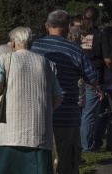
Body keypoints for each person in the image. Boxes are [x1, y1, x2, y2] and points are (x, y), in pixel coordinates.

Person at [31, 10, 103, 174]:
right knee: (67, 161)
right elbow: (93, 79)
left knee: (39, 159)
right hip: (66, 111)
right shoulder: (76, 50)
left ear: (46, 25)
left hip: (38, 111)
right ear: (68, 27)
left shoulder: (34, 47)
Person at [0, 27, 63, 174]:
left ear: (14, 42)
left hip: (11, 130)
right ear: (31, 42)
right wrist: (45, 110)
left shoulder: (5, 59)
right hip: (40, 129)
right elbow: (58, 97)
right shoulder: (47, 63)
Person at [79, 6, 104, 152]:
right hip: (93, 76)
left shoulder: (80, 34)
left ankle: (82, 143)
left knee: (82, 112)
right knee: (89, 113)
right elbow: (103, 56)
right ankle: (86, 145)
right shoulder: (98, 35)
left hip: (78, 74)